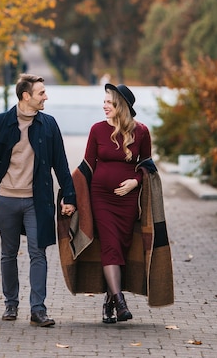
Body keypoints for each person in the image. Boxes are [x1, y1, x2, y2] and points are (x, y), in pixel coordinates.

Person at [0, 73, 76, 327]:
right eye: (41, 93)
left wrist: (69, 196)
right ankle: (11, 304)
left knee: (37, 252)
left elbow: (60, 164)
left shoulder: (48, 125)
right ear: (25, 96)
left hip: (35, 201)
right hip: (5, 199)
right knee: (8, 253)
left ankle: (38, 309)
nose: (46, 96)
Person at [83, 83, 151, 324]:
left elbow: (147, 167)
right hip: (100, 196)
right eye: (104, 102)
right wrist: (71, 196)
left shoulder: (141, 132)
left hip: (128, 200)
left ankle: (109, 301)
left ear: (121, 106)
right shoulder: (97, 130)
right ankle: (120, 302)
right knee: (110, 246)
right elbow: (87, 166)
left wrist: (135, 181)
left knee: (121, 247)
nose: (104, 106)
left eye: (109, 102)